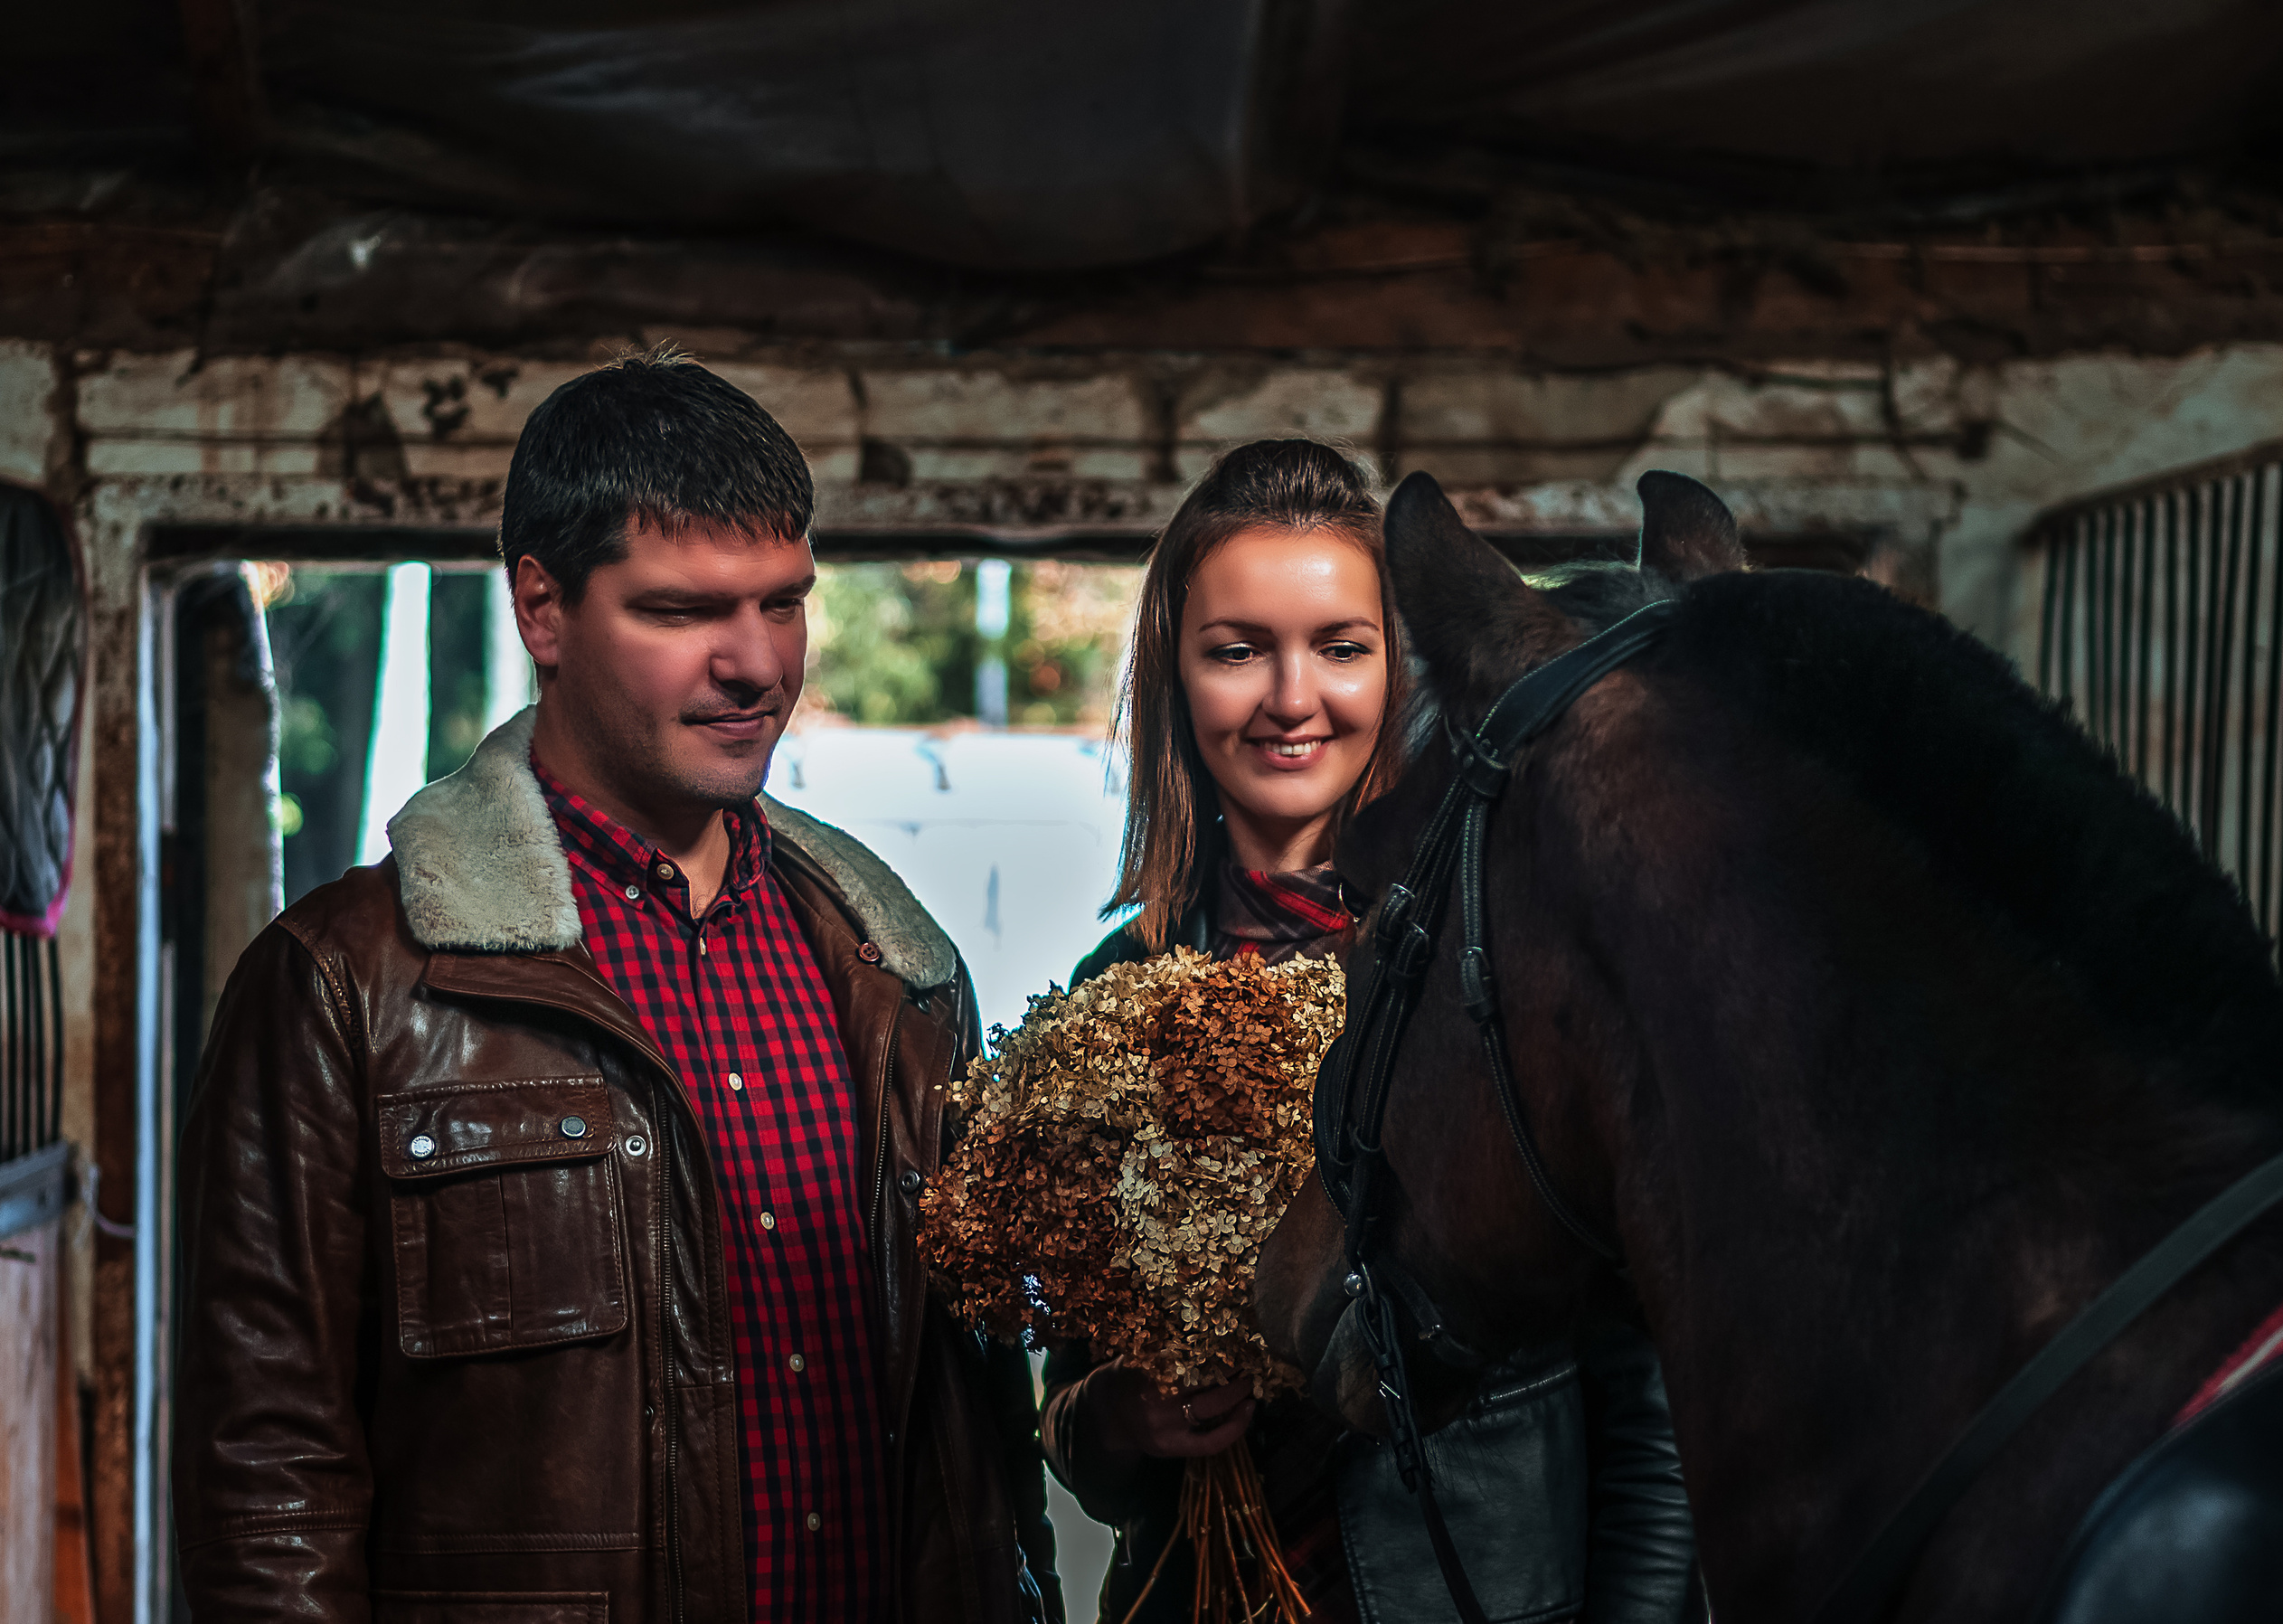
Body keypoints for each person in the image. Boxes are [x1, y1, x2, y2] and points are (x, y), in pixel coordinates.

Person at [174, 350, 1059, 1622]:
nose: (756, 664)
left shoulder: (899, 976)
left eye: (783, 603)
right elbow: (269, 1490)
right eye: (683, 612)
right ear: (543, 609)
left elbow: (984, 1458)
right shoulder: (342, 988)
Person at [1039, 439, 1698, 1622]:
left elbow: (1648, 1402)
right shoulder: (1113, 998)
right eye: (1238, 650)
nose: (1293, 699)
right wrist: (1120, 1418)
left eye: (1341, 648)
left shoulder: (1504, 968)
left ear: (1405, 666)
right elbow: (1078, 1431)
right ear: (1177, 672)